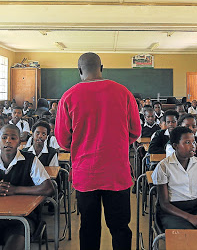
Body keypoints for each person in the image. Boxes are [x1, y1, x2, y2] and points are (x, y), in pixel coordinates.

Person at [55, 52, 141, 250]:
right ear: (101, 68)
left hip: (86, 174)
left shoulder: (68, 96)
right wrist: (116, 144)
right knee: (120, 227)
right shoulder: (123, 92)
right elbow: (135, 131)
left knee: (88, 227)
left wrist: (81, 145)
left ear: (79, 71)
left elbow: (62, 139)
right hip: (116, 172)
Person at [152, 126, 197, 231]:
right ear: (175, 146)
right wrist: (191, 218)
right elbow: (164, 204)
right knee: (187, 236)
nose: (193, 146)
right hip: (173, 212)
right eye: (187, 142)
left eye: (193, 142)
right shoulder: (164, 167)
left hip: (196, 208)